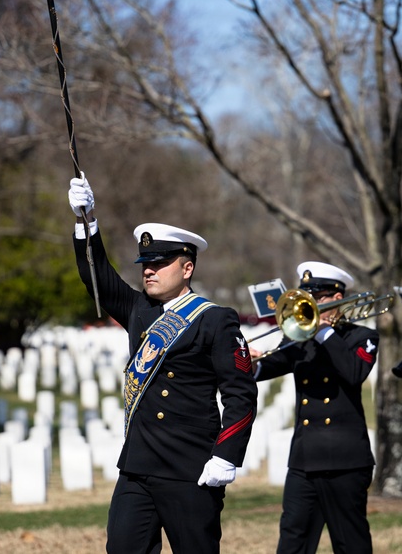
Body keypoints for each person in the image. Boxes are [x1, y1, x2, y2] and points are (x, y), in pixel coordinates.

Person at [67, 175, 257, 554]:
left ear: (187, 269)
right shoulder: (140, 309)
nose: (148, 270)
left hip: (190, 468)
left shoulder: (214, 318)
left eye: (160, 263)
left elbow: (241, 394)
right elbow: (97, 276)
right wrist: (86, 222)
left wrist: (226, 456)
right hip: (138, 466)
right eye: (145, 263)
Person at [250, 261, 377, 554]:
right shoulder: (299, 338)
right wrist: (251, 362)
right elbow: (272, 365)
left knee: (350, 542)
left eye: (318, 298)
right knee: (293, 540)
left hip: (345, 461)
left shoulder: (362, 337)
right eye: (307, 296)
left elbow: (354, 372)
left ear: (336, 298)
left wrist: (323, 333)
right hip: (304, 459)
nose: (311, 304)